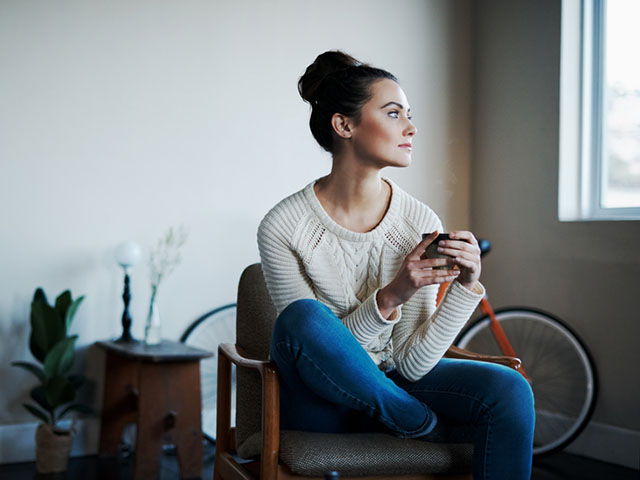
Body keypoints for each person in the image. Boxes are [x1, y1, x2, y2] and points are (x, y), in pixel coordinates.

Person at [257, 50, 534, 479]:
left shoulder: (420, 222)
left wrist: (466, 288)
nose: (411, 128)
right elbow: (318, 356)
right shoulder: (283, 226)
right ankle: (419, 425)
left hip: (398, 383)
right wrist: (390, 297)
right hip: (322, 403)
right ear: (344, 125)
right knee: (302, 318)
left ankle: (406, 418)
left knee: (510, 388)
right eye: (393, 113)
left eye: (409, 114)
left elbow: (410, 365)